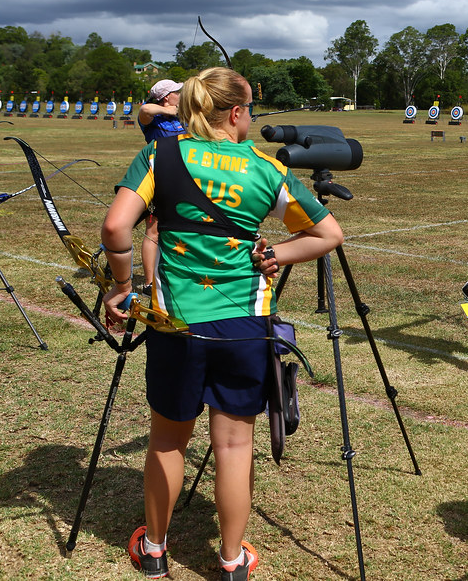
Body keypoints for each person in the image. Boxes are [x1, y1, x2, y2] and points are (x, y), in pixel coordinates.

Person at [101, 66, 343, 580]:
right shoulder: (267, 167)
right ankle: (232, 561)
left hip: (176, 325)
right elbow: (328, 235)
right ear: (235, 113)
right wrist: (275, 253)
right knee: (234, 446)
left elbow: (116, 227)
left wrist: (121, 286)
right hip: (244, 327)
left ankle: (155, 551)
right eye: (250, 109)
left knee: (168, 441)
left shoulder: (160, 154)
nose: (251, 118)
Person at [137, 79, 185, 290]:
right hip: (161, 177)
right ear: (166, 97)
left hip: (186, 177)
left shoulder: (183, 116)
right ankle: (149, 283)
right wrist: (170, 111)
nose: (180, 95)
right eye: (177, 92)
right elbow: (145, 109)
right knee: (154, 230)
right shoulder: (153, 119)